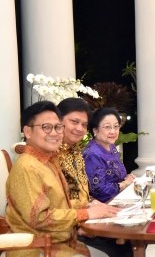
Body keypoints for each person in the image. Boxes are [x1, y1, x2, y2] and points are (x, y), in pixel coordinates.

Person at [5, 101, 117, 257]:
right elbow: (40, 218)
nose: (54, 133)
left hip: (63, 243)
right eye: (46, 127)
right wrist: (86, 214)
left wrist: (88, 206)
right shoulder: (27, 167)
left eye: (58, 127)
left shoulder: (49, 161)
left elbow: (59, 203)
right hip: (38, 248)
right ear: (28, 132)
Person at [57, 98, 132, 257]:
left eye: (83, 124)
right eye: (74, 122)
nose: (79, 128)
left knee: (129, 240)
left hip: (83, 219)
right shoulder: (50, 158)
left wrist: (92, 204)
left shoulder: (75, 154)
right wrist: (82, 221)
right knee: (121, 246)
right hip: (67, 230)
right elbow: (46, 211)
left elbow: (81, 192)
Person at [83, 107, 135, 203]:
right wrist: (125, 183)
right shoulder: (92, 154)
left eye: (116, 126)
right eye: (107, 127)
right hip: (104, 206)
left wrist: (128, 178)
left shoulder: (111, 147)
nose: (113, 131)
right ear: (95, 130)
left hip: (120, 198)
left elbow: (118, 176)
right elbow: (100, 191)